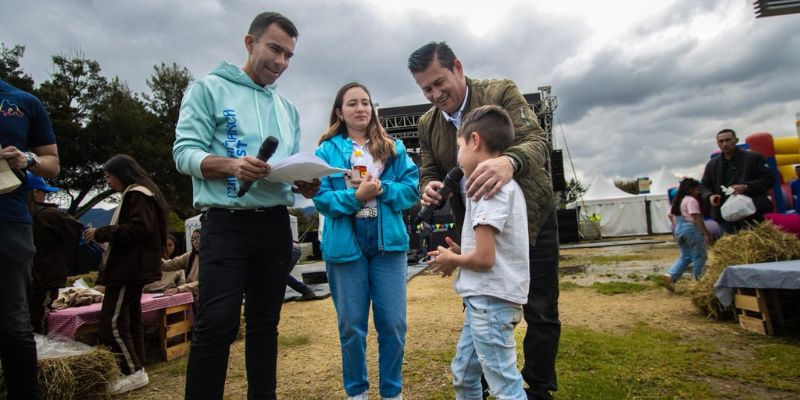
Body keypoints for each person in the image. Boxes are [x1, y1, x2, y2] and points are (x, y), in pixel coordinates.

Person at [172, 11, 319, 400]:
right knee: (216, 323)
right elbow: (183, 153)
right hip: (225, 223)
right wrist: (233, 165)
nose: (281, 62)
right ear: (249, 43)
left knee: (264, 323)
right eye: (274, 49)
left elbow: (284, 168)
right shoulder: (207, 89)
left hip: (274, 223)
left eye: (289, 55)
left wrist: (303, 181)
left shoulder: (287, 109)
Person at [407, 41, 560, 399]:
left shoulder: (500, 92)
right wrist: (428, 186)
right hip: (478, 230)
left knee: (540, 308)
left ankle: (537, 388)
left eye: (439, 82)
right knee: (482, 311)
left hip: (530, 221)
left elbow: (536, 140)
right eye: (425, 88)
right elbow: (429, 169)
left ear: (457, 68)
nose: (434, 93)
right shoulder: (428, 123)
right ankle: (488, 383)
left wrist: (510, 162)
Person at [313, 82, 419, 400]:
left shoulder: (393, 148)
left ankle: (392, 393)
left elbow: (411, 189)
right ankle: (356, 393)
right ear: (339, 112)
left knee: (394, 324)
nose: (360, 108)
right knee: (351, 327)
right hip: (346, 245)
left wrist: (383, 189)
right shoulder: (326, 151)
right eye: (352, 103)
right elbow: (321, 199)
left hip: (388, 246)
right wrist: (355, 197)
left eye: (365, 103)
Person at [428, 105, 529, 399]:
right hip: (484, 304)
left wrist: (453, 259)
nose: (457, 156)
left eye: (458, 147)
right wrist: (461, 251)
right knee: (464, 374)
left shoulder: (488, 189)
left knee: (504, 385)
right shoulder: (499, 186)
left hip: (490, 304)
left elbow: (484, 260)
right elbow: (489, 249)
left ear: (474, 141)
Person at [83, 154, 168, 394]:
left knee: (112, 322)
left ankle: (133, 371)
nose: (108, 181)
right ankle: (136, 367)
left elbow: (140, 228)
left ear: (122, 173)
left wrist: (101, 232)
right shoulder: (143, 192)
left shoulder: (137, 193)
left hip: (128, 268)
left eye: (109, 176)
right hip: (134, 268)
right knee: (129, 319)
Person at [0, 78, 59, 399]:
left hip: (9, 222)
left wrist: (27, 159)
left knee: (13, 325)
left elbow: (52, 162)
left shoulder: (22, 102)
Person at [26, 172, 83, 334]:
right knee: (38, 317)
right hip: (44, 277)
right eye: (44, 192)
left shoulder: (14, 216)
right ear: (34, 192)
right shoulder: (50, 215)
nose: (46, 196)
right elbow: (80, 231)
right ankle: (39, 351)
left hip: (20, 276)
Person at [700, 129, 775, 234]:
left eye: (728, 140)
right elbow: (704, 185)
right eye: (721, 141)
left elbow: (769, 179)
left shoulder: (754, 158)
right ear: (717, 143)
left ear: (736, 140)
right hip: (726, 216)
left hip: (752, 212)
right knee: (734, 248)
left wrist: (745, 187)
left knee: (756, 247)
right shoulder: (712, 164)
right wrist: (710, 196)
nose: (725, 144)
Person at [663, 178, 713, 292]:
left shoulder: (676, 201)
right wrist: (706, 233)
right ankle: (698, 283)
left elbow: (670, 215)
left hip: (678, 229)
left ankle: (671, 275)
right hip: (691, 229)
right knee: (699, 256)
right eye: (697, 189)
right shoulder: (690, 200)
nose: (698, 192)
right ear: (690, 189)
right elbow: (696, 217)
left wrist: (677, 226)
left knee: (685, 256)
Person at [159, 228, 201, 296]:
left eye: (198, 238)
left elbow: (206, 282)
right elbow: (170, 264)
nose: (195, 242)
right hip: (193, 297)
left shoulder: (212, 257)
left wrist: (179, 289)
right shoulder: (190, 256)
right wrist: (154, 257)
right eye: (193, 239)